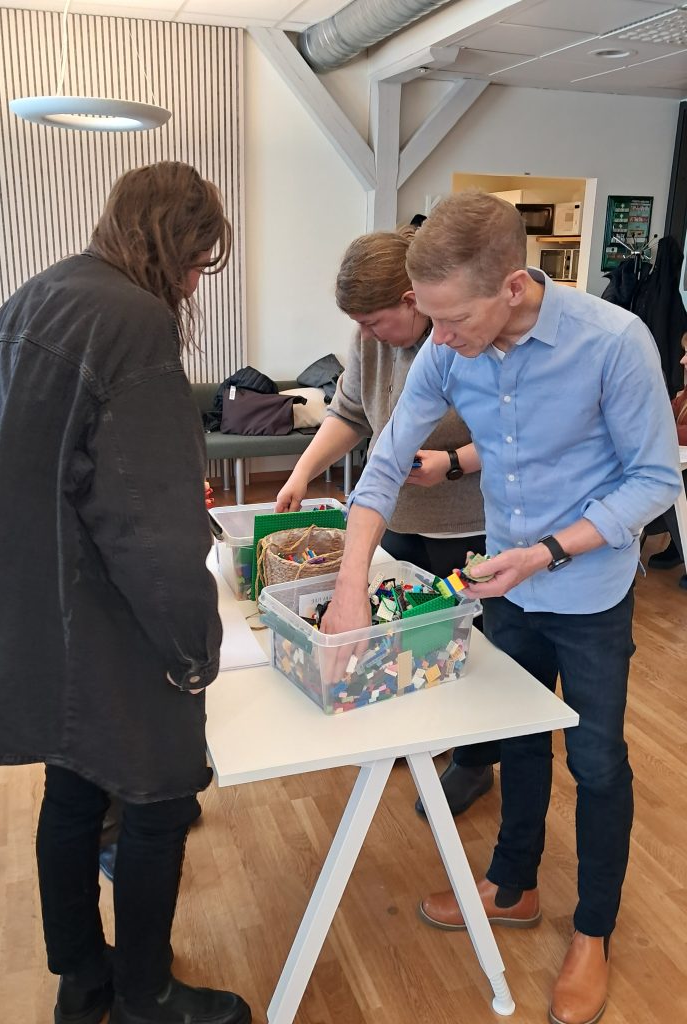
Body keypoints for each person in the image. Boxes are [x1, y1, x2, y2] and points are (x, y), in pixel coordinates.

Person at [320, 192, 682, 1024]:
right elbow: (384, 462)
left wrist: (550, 551)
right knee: (516, 741)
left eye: (452, 320)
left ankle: (592, 932)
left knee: (593, 762)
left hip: (586, 590)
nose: (437, 341)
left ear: (514, 286)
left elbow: (656, 479)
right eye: (429, 321)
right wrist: (350, 587)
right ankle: (512, 885)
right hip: (503, 581)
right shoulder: (449, 351)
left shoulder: (615, 343)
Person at [0, 162, 251, 1024]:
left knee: (73, 791)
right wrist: (193, 645)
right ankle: (146, 992)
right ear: (175, 245)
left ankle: (83, 971)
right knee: (159, 796)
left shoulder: (36, 296)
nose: (193, 284)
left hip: (33, 603)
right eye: (197, 263)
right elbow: (147, 518)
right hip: (106, 613)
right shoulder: (135, 322)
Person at [275, 227, 497, 816]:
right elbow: (350, 415)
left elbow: (512, 438)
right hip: (395, 519)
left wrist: (452, 463)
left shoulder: (466, 339)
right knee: (398, 637)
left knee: (467, 650)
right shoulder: (371, 341)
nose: (365, 334)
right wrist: (300, 473)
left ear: (411, 299)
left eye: (373, 321)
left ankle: (472, 762)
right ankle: (410, 731)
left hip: (467, 526)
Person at [643, 334, 687, 588]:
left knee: (669, 486)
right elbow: (658, 417)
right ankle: (677, 542)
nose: (681, 360)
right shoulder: (683, 397)